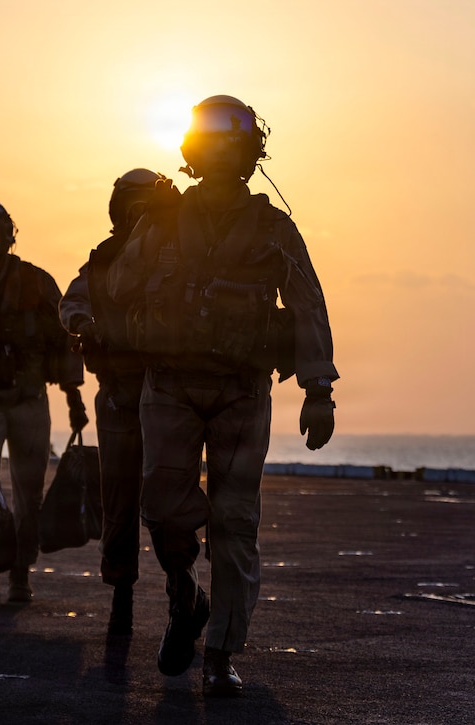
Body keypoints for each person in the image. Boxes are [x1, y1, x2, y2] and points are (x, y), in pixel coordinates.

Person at [104, 95, 338, 696]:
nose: (222, 155)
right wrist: (140, 227)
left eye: (233, 146)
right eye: (211, 146)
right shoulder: (160, 219)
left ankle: (219, 653)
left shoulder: (273, 225)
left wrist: (318, 389)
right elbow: (120, 286)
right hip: (169, 387)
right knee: (160, 507)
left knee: (235, 521)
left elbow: (308, 303)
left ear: (250, 153)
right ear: (193, 152)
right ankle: (186, 595)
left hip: (241, 390)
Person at [0, 197, 87, 605]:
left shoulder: (37, 281)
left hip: (30, 399)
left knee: (29, 494)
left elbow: (65, 342)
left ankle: (19, 575)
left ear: (9, 232)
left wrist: (74, 398)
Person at [59, 168, 167, 636]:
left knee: (171, 500)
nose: (139, 212)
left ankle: (182, 590)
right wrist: (86, 324)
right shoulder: (102, 259)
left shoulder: (176, 257)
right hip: (120, 396)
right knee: (119, 502)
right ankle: (121, 593)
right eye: (132, 203)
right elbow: (72, 305)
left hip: (169, 397)